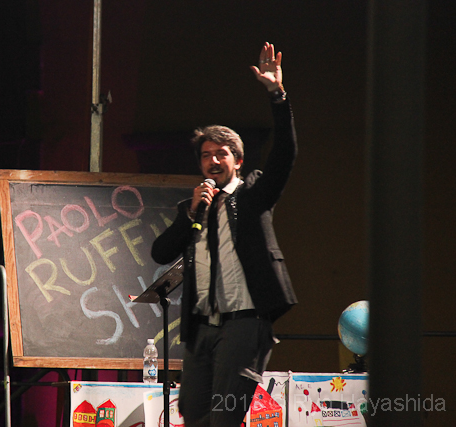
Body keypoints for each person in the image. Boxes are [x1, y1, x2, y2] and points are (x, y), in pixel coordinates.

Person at [151, 42, 298, 427]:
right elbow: (160, 253)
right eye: (206, 155)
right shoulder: (193, 207)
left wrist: (277, 95)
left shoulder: (254, 194)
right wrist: (191, 213)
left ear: (238, 160)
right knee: (193, 415)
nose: (213, 161)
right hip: (201, 326)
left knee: (224, 418)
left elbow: (285, 153)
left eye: (222, 153)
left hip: (244, 323)